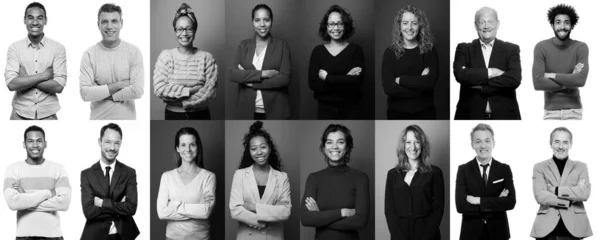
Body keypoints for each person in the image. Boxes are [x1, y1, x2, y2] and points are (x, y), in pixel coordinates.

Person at [301, 124, 369, 240]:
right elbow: (306, 219)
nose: (334, 146)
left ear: (347, 147)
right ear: (323, 148)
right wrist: (342, 212)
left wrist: (320, 218)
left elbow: (360, 222)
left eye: (340, 142)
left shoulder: (360, 178)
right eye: (329, 142)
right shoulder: (314, 178)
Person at [3, 125, 71, 239]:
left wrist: (25, 198)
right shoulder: (13, 169)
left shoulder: (58, 169)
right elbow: (13, 203)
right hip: (24, 236)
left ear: (45, 144)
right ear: (24, 144)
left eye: (39, 141)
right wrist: (49, 193)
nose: (35, 145)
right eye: (30, 141)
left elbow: (64, 203)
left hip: (53, 236)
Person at [453, 7, 521, 120]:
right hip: (469, 115)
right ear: (475, 25)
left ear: (498, 24)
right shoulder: (464, 48)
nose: (486, 26)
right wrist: (491, 72)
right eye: (482, 22)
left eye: (490, 22)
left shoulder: (511, 49)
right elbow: (460, 75)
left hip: (505, 116)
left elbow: (514, 80)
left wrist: (479, 84)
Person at [153, 3, 218, 120]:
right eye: (180, 29)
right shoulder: (166, 56)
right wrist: (192, 90)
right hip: (173, 115)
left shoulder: (207, 58)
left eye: (188, 29)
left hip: (201, 115)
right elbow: (159, 89)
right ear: (175, 31)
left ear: (195, 30)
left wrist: (178, 98)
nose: (184, 33)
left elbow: (210, 93)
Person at [80, 3, 144, 120]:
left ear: (121, 23)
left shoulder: (133, 52)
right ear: (98, 25)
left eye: (114, 21)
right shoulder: (89, 54)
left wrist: (101, 92)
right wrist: (120, 84)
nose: (109, 26)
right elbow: (85, 94)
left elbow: (137, 90)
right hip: (98, 121)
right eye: (104, 22)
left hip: (127, 122)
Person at [229, 121, 291, 239]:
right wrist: (265, 219)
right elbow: (235, 210)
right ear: (249, 151)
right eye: (254, 148)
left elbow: (285, 212)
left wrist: (253, 207)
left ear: (269, 148)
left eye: (263, 147)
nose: (259, 152)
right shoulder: (240, 175)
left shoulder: (282, 177)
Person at [4, 2, 66, 120]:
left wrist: (25, 78)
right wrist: (44, 75)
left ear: (46, 21)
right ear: (24, 20)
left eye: (40, 18)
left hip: (49, 114)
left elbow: (59, 86)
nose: (35, 22)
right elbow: (11, 84)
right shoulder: (14, 48)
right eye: (30, 18)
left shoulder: (58, 48)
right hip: (19, 113)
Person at [229, 4, 291, 120]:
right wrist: (264, 74)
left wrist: (252, 83)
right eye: (257, 20)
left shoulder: (282, 45)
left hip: (276, 110)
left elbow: (284, 78)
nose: (262, 24)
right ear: (252, 22)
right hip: (247, 110)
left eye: (266, 20)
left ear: (271, 21)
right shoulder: (243, 45)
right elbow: (233, 74)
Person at [455, 123, 515, 240]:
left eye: (487, 141)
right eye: (478, 141)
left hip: (499, 233)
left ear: (493, 143)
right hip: (471, 233)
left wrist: (478, 201)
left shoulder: (504, 169)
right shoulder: (463, 170)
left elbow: (510, 202)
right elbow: (461, 206)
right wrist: (497, 202)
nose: (483, 146)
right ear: (472, 144)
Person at [80, 123, 139, 240]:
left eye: (116, 143)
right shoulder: (87, 174)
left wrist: (101, 203)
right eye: (108, 142)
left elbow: (131, 208)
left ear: (121, 144)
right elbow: (88, 212)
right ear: (99, 142)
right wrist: (120, 205)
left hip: (123, 234)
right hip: (95, 235)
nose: (112, 148)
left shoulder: (129, 172)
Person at [531, 127, 592, 239]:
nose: (560, 146)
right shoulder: (540, 167)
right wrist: (569, 200)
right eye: (557, 142)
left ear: (570, 144)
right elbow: (540, 196)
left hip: (575, 228)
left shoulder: (581, 167)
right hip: (546, 229)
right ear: (551, 143)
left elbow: (584, 193)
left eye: (565, 142)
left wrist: (554, 190)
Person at [385, 125, 444, 239]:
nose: (413, 147)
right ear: (403, 145)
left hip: (427, 235)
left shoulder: (435, 173)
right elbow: (389, 210)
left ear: (422, 145)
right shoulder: (392, 174)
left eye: (417, 142)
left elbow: (438, 210)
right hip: (400, 235)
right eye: (408, 142)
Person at [157, 127, 216, 239]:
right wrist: (195, 212)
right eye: (183, 145)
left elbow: (205, 212)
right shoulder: (167, 177)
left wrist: (174, 205)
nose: (188, 149)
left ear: (198, 147)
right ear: (177, 148)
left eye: (192, 145)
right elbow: (161, 213)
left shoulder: (209, 177)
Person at [382, 5, 439, 120]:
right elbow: (389, 88)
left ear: (420, 26)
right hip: (397, 114)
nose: (409, 27)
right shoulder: (390, 52)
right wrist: (420, 82)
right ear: (399, 25)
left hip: (425, 112)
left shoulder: (430, 50)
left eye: (414, 23)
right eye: (405, 23)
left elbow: (430, 83)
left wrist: (401, 80)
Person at [308, 5, 365, 120]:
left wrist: (327, 77)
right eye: (332, 24)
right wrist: (345, 79)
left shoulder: (356, 50)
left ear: (345, 25)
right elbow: (313, 84)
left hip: (351, 110)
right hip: (325, 110)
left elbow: (356, 83)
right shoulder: (318, 51)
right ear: (326, 26)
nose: (336, 28)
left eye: (340, 23)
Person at [532, 4, 588, 120]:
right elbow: (538, 83)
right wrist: (571, 79)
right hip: (550, 112)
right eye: (558, 22)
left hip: (575, 111)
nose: (562, 26)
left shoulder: (581, 47)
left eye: (566, 22)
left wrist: (553, 76)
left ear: (572, 25)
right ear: (552, 25)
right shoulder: (541, 47)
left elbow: (581, 80)